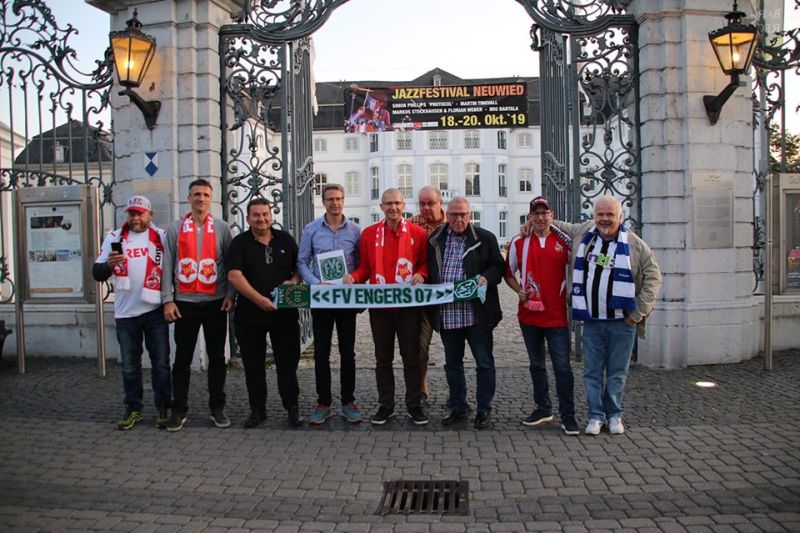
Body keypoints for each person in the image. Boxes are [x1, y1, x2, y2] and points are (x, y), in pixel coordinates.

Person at [555, 196, 662, 435]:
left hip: (622, 323)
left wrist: (637, 312)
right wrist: (533, 223)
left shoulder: (634, 244)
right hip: (592, 322)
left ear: (620, 217)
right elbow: (558, 225)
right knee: (592, 372)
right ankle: (595, 415)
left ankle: (614, 414)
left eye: (610, 215)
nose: (604, 219)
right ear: (594, 216)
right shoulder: (585, 234)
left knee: (616, 373)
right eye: (600, 214)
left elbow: (653, 277)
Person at [343, 188, 429, 425]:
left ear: (404, 206)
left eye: (397, 203)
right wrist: (354, 277)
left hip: (408, 307)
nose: (393, 207)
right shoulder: (369, 234)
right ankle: (386, 405)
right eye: (388, 203)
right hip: (379, 308)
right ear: (381, 207)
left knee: (411, 358)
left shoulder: (418, 233)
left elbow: (424, 263)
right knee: (383, 359)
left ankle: (414, 404)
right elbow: (364, 268)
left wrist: (421, 274)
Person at [161, 178, 235, 432]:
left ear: (211, 198)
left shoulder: (223, 228)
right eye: (196, 194)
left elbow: (230, 264)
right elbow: (167, 265)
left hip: (215, 302)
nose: (200, 198)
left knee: (217, 358)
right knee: (181, 358)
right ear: (188, 198)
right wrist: (167, 299)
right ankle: (179, 409)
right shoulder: (175, 228)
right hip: (185, 303)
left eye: (205, 194)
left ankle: (217, 407)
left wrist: (230, 294)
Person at [93, 195, 171, 430]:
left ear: (150, 215)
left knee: (161, 363)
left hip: (155, 309)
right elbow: (97, 273)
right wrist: (108, 264)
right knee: (129, 365)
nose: (135, 218)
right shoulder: (114, 238)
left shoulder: (162, 238)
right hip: (126, 313)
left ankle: (164, 406)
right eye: (132, 214)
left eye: (140, 213)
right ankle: (133, 408)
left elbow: (172, 270)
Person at [427, 196, 504, 429]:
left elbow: (498, 267)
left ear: (470, 215)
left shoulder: (485, 238)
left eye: (463, 214)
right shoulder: (435, 240)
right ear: (446, 215)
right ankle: (459, 406)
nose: (458, 219)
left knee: (484, 362)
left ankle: (484, 409)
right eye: (453, 215)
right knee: (452, 363)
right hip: (448, 313)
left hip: (476, 314)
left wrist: (485, 278)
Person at [505, 196, 579, 435]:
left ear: (551, 215)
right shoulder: (519, 241)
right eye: (535, 214)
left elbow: (579, 263)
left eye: (543, 213)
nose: (539, 217)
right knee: (536, 365)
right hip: (529, 316)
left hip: (556, 316)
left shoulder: (564, 241)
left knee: (562, 367)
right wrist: (519, 290)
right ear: (529, 217)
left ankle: (568, 415)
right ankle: (543, 408)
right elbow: (508, 272)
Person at [227, 198, 303, 428]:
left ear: (271, 215)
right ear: (248, 218)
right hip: (250, 315)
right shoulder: (239, 243)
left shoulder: (285, 239)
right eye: (256, 215)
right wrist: (258, 299)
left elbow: (299, 267)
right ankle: (257, 411)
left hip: (284, 315)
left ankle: (292, 408)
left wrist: (294, 281)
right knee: (253, 366)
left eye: (265, 214)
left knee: (287, 365)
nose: (261, 219)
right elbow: (234, 275)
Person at [297, 183, 363, 424]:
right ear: (323, 202)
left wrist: (354, 277)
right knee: (322, 352)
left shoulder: (355, 230)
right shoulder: (311, 230)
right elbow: (302, 261)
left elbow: (361, 262)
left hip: (345, 300)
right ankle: (323, 401)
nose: (335, 203)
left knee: (348, 352)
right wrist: (315, 282)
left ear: (344, 200)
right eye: (330, 199)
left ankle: (348, 400)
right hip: (322, 298)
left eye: (338, 198)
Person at [408, 185, 446, 400]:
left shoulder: (453, 223)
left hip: (447, 295)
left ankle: (456, 392)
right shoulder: (412, 224)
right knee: (420, 346)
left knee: (454, 348)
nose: (425, 208)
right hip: (421, 295)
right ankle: (420, 385)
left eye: (430, 203)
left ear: (440, 203)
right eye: (422, 203)